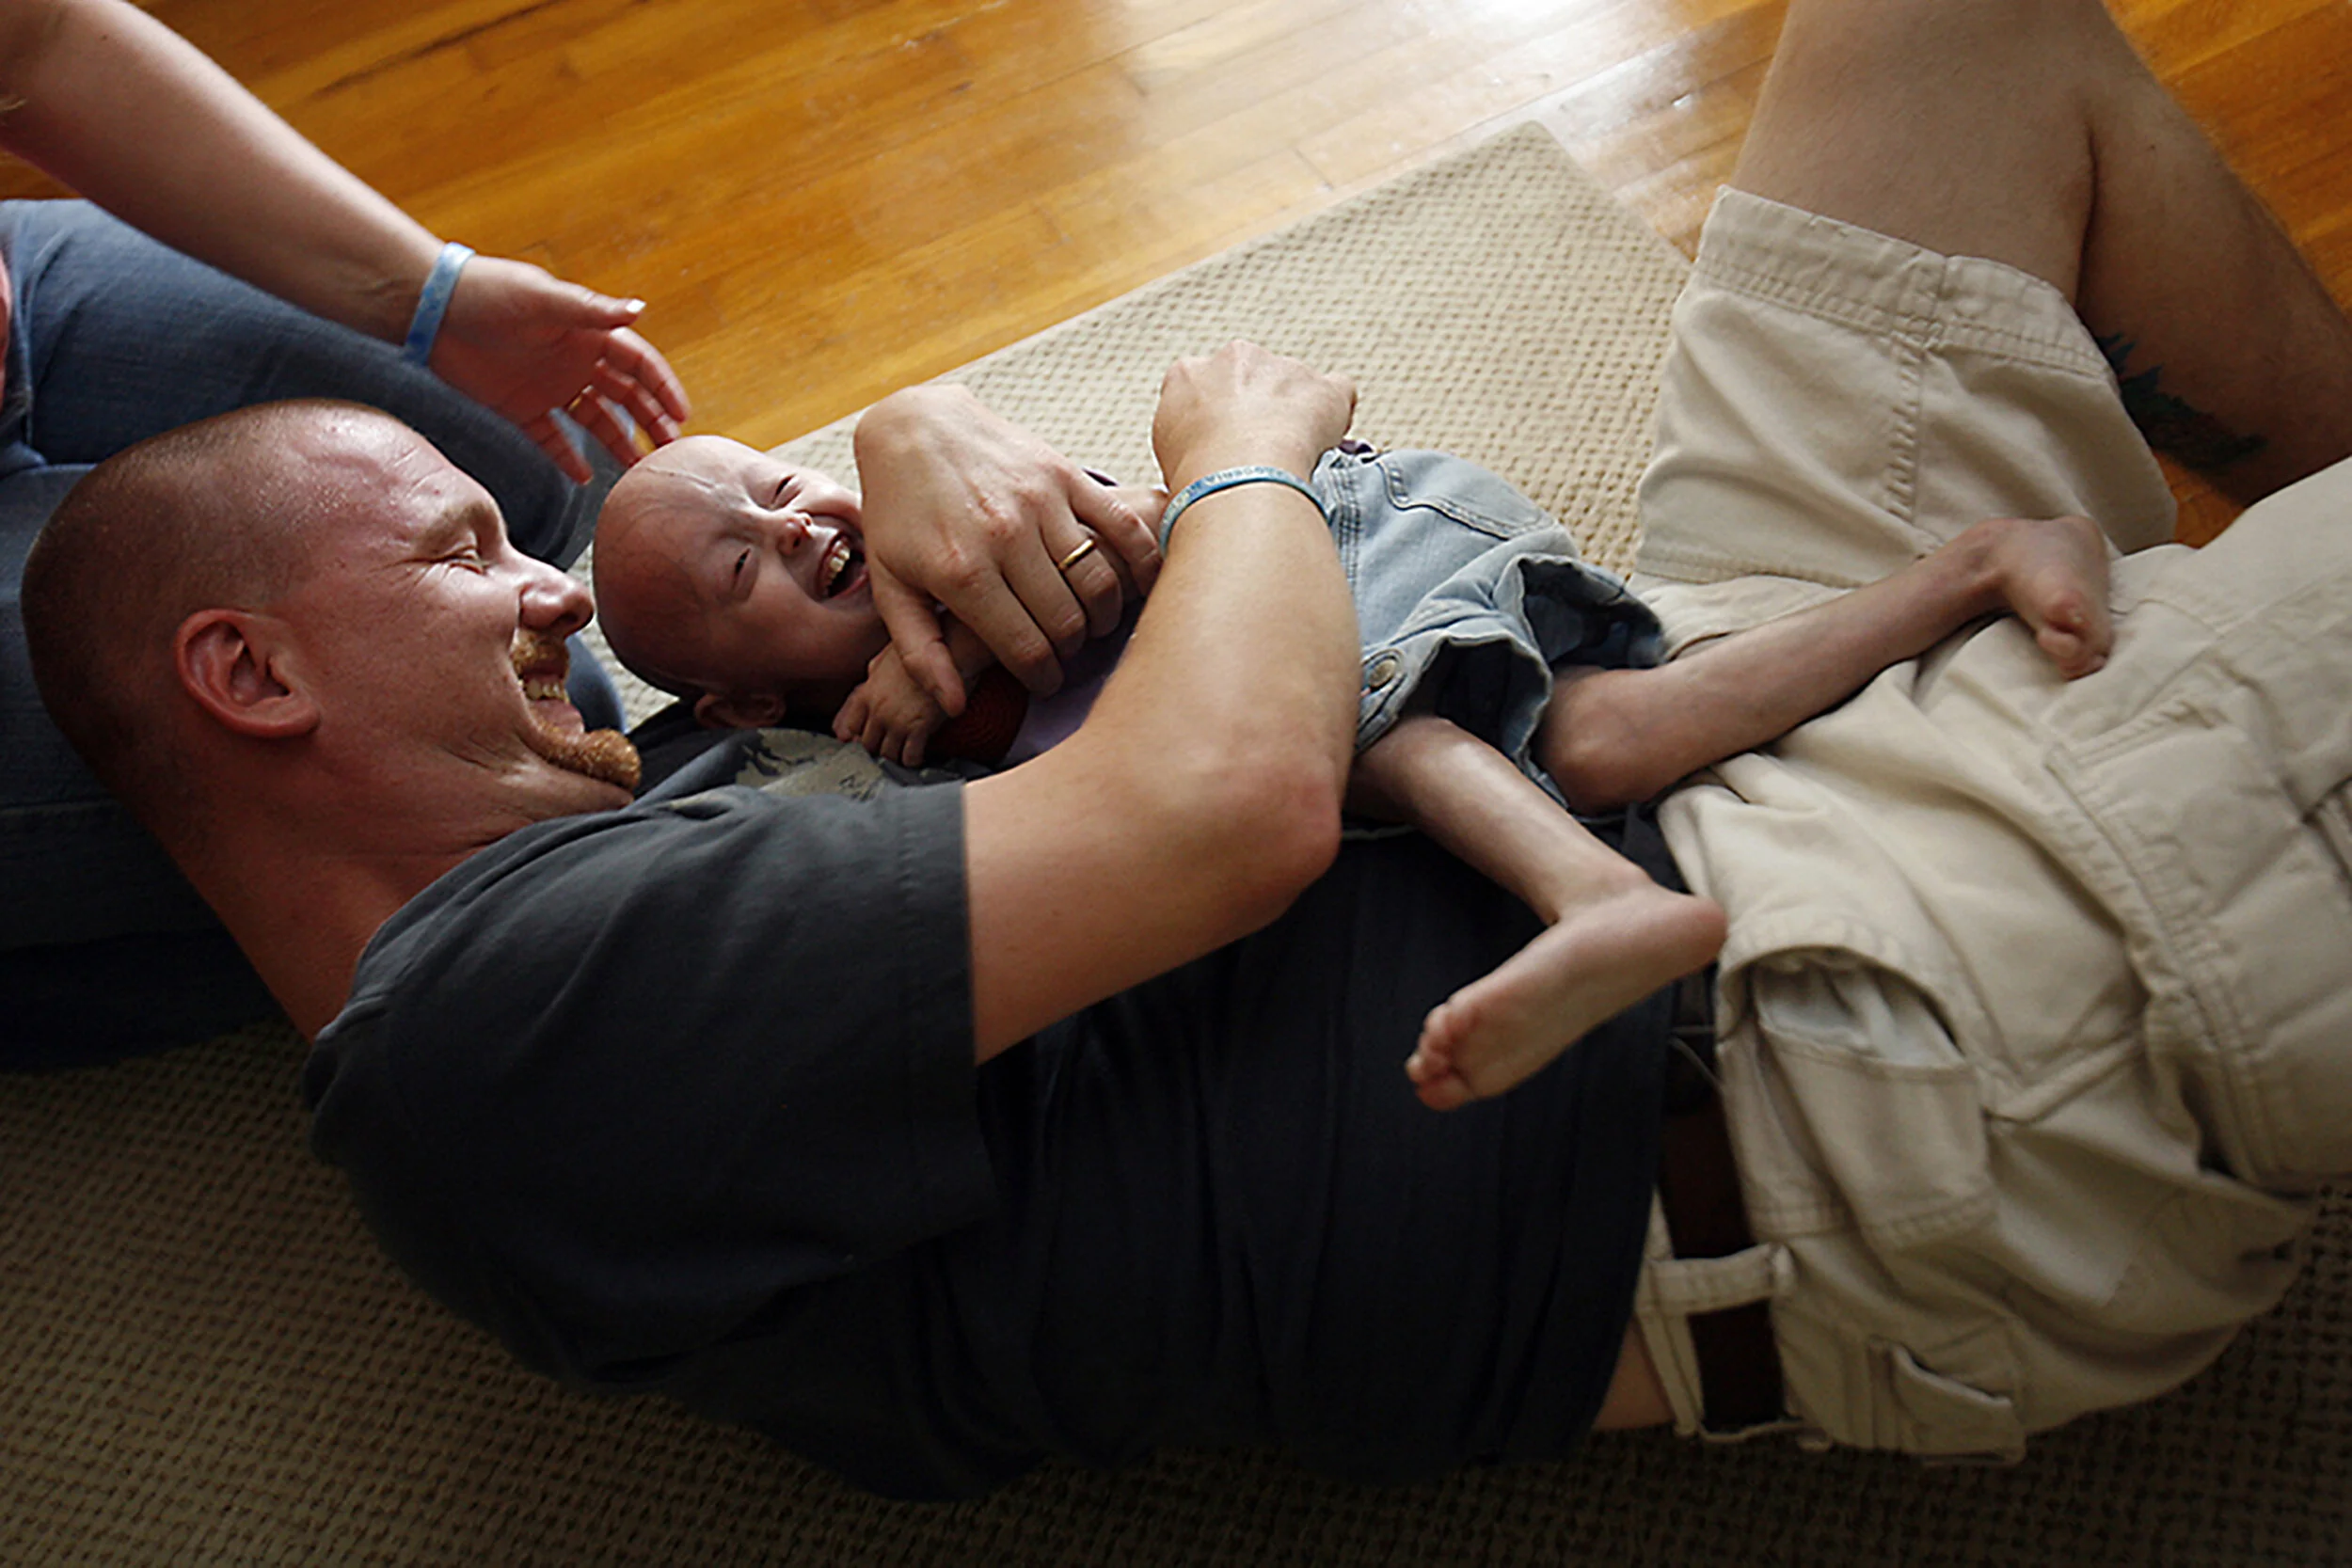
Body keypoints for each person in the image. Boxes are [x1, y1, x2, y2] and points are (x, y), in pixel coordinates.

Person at [22, 0, 2352, 1496]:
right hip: (1867, 1036)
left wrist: (930, 438)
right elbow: (1224, 800)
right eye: (462, 556)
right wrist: (1246, 436)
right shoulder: (503, 1039)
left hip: (1702, 720)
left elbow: (1066, 650)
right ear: (253, 677)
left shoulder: (647, 868)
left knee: (1943, 36)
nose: (547, 588)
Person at [592, 432, 2112, 1108]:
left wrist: (963, 640)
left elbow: (1152, 532)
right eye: (746, 563)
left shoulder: (953, 539)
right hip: (1349, 666)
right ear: (737, 696)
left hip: (1344, 540)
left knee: (1395, 735)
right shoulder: (840, 765)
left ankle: (1596, 902)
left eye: (777, 485)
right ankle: (1977, 566)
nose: (794, 524)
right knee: (1602, 740)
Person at [0, 0, 690, 1065]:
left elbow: (36, 37)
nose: (573, 592)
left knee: (539, 466)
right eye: (469, 561)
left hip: (18, 304)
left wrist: (430, 292)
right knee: (551, 725)